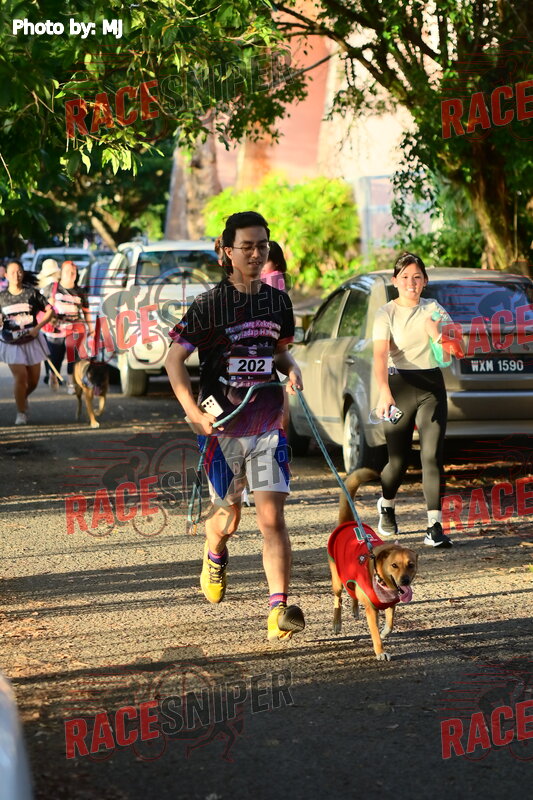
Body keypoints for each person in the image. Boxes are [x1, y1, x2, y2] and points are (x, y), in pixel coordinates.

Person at [165, 211, 305, 641]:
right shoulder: (209, 305)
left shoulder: (278, 302)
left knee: (272, 519)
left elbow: (278, 352)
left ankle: (278, 609)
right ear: (227, 252)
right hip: (221, 429)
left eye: (262, 245)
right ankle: (215, 553)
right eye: (247, 246)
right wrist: (193, 413)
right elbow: (173, 359)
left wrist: (292, 368)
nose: (256, 253)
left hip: (267, 426)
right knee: (227, 519)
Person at [373, 252, 464, 549]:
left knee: (432, 456)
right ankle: (386, 504)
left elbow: (458, 350)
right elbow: (379, 356)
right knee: (398, 461)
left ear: (425, 281)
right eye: (405, 277)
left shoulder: (434, 309)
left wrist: (436, 334)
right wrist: (384, 392)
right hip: (398, 387)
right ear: (395, 281)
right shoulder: (386, 313)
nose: (411, 283)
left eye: (417, 277)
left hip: (431, 388)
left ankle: (434, 526)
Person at [0, 260, 53, 425]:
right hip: (11, 342)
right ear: (6, 275)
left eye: (19, 271)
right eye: (12, 272)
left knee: (34, 381)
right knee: (21, 377)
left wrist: (38, 328)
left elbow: (50, 310)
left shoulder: (32, 294)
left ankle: (21, 397)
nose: (16, 275)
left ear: (23, 273)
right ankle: (21, 412)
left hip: (32, 340)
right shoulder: (1, 297)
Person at [41, 260, 93, 393]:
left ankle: (71, 382)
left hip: (74, 329)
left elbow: (86, 311)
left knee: (73, 357)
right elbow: (40, 306)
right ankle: (53, 376)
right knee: (55, 358)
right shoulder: (52, 288)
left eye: (73, 272)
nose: (70, 274)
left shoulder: (80, 291)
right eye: (67, 271)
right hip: (56, 330)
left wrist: (91, 329)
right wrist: (48, 305)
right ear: (61, 273)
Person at [37, 259, 61, 386]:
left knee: (47, 350)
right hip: (54, 321)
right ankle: (54, 374)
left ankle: (49, 373)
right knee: (55, 350)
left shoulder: (41, 286)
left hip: (42, 322)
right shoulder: (57, 286)